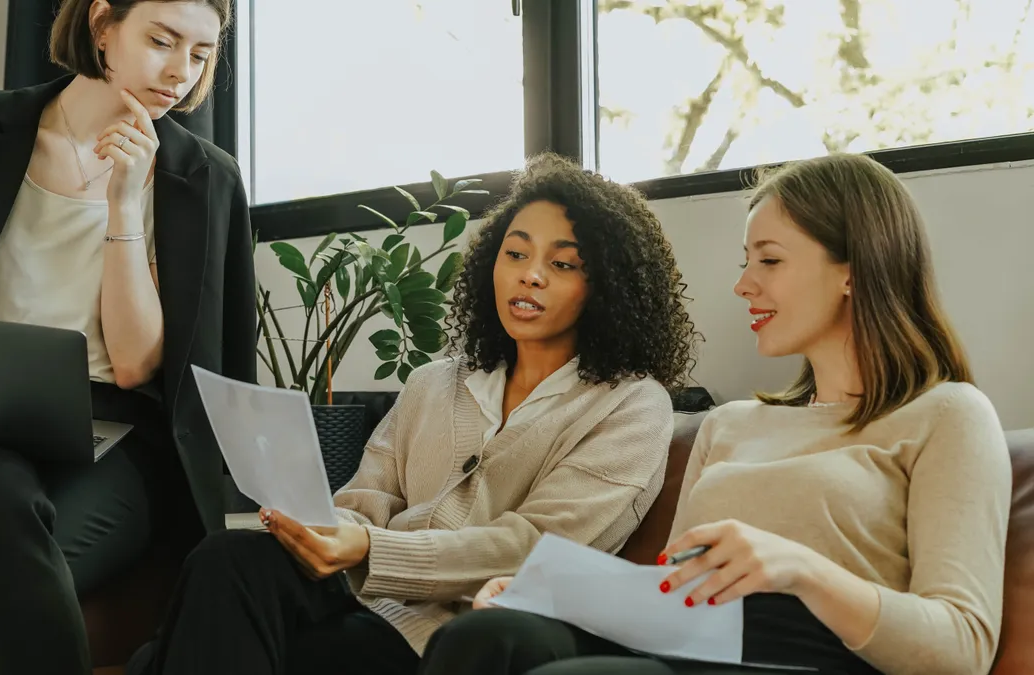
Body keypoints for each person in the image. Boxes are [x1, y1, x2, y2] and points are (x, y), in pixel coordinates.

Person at [420, 153, 1013, 675]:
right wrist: (550, 591)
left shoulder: (947, 414)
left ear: (852, 270)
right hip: (689, 644)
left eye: (770, 260)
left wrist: (801, 569)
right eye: (745, 260)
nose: (743, 285)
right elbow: (669, 598)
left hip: (808, 656)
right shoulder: (731, 425)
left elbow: (962, 648)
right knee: (484, 636)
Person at [127, 153, 701, 675]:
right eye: (517, 253)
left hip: (449, 631)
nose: (531, 274)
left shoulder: (630, 405)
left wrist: (372, 550)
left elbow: (534, 549)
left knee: (171, 655)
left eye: (564, 264)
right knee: (229, 556)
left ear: (608, 287)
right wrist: (327, 529)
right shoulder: (434, 381)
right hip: (357, 595)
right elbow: (367, 500)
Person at [0, 1, 255, 674]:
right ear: (102, 25)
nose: (179, 73)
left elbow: (136, 365)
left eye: (200, 55)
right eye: (161, 41)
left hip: (114, 443)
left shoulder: (202, 179)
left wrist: (125, 205)